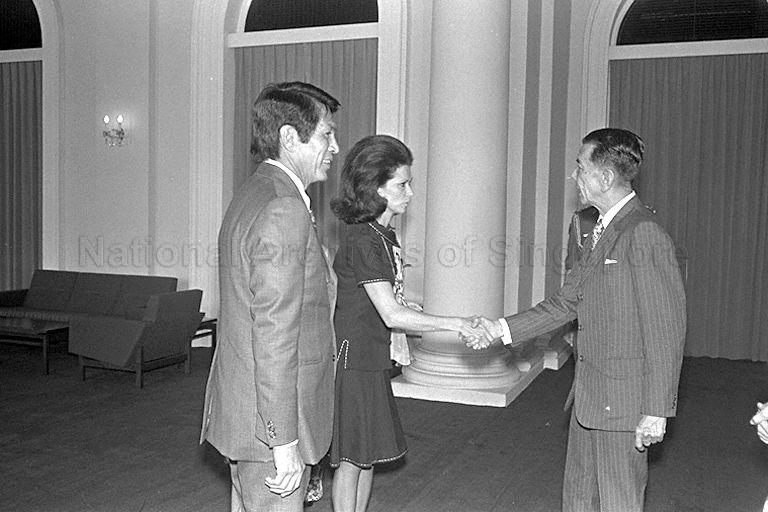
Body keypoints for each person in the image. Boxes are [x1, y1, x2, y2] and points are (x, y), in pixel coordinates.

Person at [468, 128, 687, 512]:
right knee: (578, 500)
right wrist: (500, 330)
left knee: (619, 502)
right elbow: (567, 303)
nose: (574, 177)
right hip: (589, 398)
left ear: (605, 178)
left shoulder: (643, 232)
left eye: (579, 168)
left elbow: (666, 330)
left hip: (624, 405)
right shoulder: (598, 229)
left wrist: (655, 410)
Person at [200, 81, 341, 512]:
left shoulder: (254, 192)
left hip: (248, 411)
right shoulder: (283, 207)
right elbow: (275, 334)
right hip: (271, 427)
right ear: (288, 137)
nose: (335, 146)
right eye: (326, 134)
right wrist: (283, 444)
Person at [329, 134, 484, 512]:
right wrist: (458, 323)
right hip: (354, 358)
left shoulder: (382, 234)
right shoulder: (365, 238)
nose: (410, 193)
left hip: (370, 353)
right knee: (352, 458)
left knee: (365, 456)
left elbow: (389, 299)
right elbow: (391, 314)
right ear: (375, 188)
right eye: (402, 184)